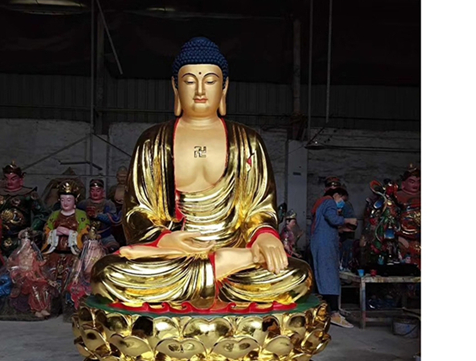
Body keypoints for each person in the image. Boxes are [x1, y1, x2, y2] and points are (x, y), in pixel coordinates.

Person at [90, 37, 312, 309]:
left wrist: (265, 235)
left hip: (235, 253)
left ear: (224, 86)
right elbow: (137, 211)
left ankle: (225, 266)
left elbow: (260, 209)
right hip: (174, 256)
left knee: (299, 276)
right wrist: (165, 239)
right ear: (175, 86)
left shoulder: (247, 142)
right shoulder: (153, 142)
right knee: (106, 274)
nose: (199, 91)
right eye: (189, 81)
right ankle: (220, 268)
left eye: (209, 81)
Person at [310, 185, 357, 328]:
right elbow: (333, 219)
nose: (342, 204)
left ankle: (325, 310)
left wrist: (341, 229)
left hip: (321, 243)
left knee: (323, 276)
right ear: (336, 195)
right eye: (343, 200)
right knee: (329, 276)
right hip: (325, 245)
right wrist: (347, 220)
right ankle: (334, 313)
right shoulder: (329, 202)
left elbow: (327, 224)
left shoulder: (321, 204)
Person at [0, 161, 48, 256]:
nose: (9, 182)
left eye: (13, 179)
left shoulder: (28, 195)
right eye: (6, 178)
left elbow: (42, 214)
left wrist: (31, 229)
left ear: (21, 179)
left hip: (21, 236)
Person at [42, 182, 90, 296]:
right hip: (55, 253)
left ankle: (69, 299)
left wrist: (70, 233)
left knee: (72, 276)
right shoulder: (54, 215)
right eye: (63, 200)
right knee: (48, 274)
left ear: (75, 201)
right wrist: (54, 233)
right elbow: (46, 230)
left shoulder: (81, 215)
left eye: (69, 200)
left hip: (73, 254)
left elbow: (85, 233)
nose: (65, 203)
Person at [77, 179, 121, 252]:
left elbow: (113, 220)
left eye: (98, 191)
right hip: (86, 235)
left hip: (104, 236)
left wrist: (97, 215)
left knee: (113, 248)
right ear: (89, 192)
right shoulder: (83, 204)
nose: (95, 193)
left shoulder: (108, 204)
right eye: (92, 190)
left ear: (103, 192)